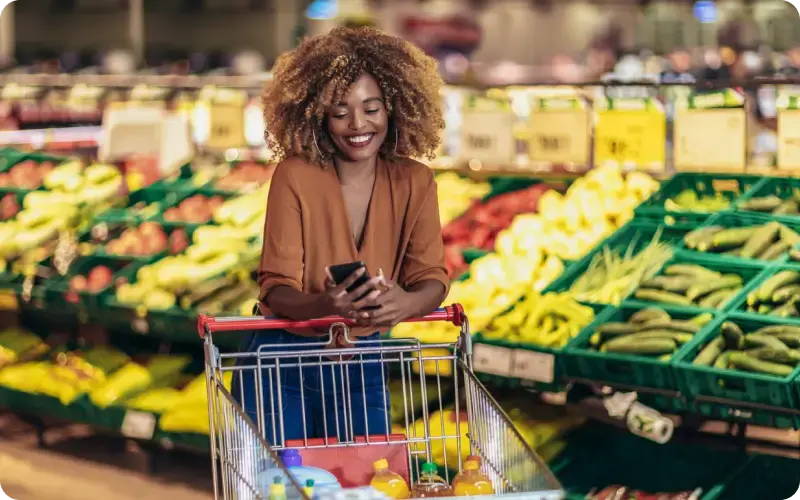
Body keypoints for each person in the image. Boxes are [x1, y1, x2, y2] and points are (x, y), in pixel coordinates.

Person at [233, 26, 450, 447]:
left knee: (363, 479)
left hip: (362, 358)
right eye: (340, 111)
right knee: (282, 485)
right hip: (282, 359)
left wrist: (404, 304)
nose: (357, 125)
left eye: (371, 109)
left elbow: (432, 277)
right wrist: (324, 305)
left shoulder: (416, 181)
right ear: (317, 114)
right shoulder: (295, 175)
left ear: (394, 108)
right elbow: (275, 289)